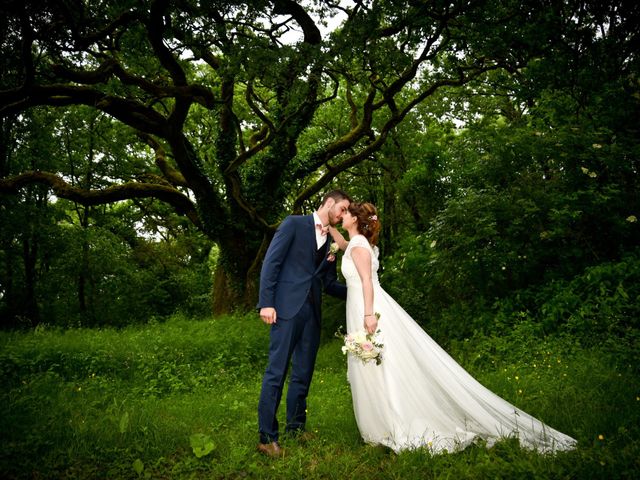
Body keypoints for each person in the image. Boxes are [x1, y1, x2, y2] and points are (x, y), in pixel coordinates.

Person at [329, 202, 577, 454]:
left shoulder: (359, 246)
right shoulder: (359, 244)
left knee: (382, 363)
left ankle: (392, 421)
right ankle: (382, 422)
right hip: (360, 305)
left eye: (346, 213)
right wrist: (329, 229)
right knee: (376, 362)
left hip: (367, 306)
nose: (343, 216)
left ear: (356, 220)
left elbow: (366, 282)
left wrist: (369, 315)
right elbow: (347, 248)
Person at [256, 190, 351, 457]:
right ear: (329, 203)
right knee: (277, 372)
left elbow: (329, 283)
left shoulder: (331, 241)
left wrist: (358, 290)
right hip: (285, 310)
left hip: (312, 313)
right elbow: (271, 263)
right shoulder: (294, 224)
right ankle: (266, 437)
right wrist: (266, 302)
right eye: (342, 209)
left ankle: (295, 428)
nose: (344, 215)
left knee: (303, 373)